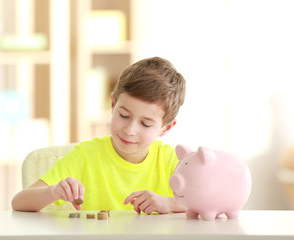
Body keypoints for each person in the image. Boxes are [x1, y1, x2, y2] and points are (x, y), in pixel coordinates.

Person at [12, 57, 186, 214]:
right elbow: (19, 202)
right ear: (112, 104)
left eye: (145, 124)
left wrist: (170, 204)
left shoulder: (174, 162)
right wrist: (53, 192)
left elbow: (212, 204)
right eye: (124, 116)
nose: (130, 130)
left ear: (166, 127)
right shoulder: (85, 156)